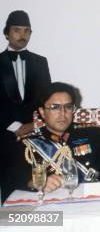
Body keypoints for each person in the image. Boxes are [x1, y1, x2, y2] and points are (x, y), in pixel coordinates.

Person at [8, 82, 100, 195]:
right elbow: (12, 180)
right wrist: (34, 183)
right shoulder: (27, 144)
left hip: (92, 202)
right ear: (42, 112)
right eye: (55, 107)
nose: (62, 113)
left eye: (68, 107)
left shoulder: (95, 135)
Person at [0, 11, 51, 202]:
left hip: (35, 135)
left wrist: (31, 126)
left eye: (26, 31)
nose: (22, 35)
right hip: (4, 137)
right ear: (7, 33)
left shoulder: (40, 62)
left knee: (38, 188)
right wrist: (15, 128)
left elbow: (46, 100)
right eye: (16, 30)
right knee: (10, 189)